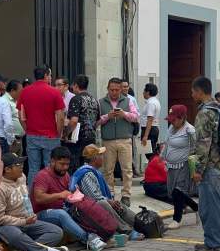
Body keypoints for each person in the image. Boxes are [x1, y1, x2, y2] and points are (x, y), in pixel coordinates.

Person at [0, 153, 66, 251]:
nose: (22, 166)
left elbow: (26, 199)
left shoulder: (22, 177)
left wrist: (30, 215)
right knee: (16, 236)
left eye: (21, 163)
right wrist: (23, 222)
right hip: (8, 226)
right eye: (17, 164)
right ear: (7, 169)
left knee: (56, 232)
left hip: (28, 221)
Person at [32, 146, 106, 251]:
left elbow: (69, 194)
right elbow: (38, 198)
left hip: (62, 209)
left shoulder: (65, 175)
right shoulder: (42, 176)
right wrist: (60, 195)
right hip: (41, 214)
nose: (65, 167)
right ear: (52, 161)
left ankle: (100, 234)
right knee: (61, 214)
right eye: (62, 164)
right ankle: (89, 239)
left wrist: (75, 192)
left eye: (67, 164)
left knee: (83, 208)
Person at [191, 77, 220, 251]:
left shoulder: (204, 113)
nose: (192, 95)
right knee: (219, 206)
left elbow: (203, 143)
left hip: (211, 167)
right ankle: (217, 239)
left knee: (209, 207)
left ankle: (214, 243)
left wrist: (198, 169)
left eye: (193, 92)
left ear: (200, 92)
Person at [71, 145, 142, 239]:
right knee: (103, 203)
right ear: (95, 158)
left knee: (118, 205)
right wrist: (109, 201)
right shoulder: (87, 174)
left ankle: (142, 224)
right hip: (86, 210)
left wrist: (111, 201)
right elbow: (94, 198)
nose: (103, 158)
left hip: (94, 204)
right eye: (101, 155)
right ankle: (127, 231)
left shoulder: (93, 171)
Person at [17, 66, 65, 188]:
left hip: (32, 135)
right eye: (50, 75)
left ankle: (33, 194)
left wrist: (27, 129)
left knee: (33, 168)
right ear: (45, 75)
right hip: (51, 135)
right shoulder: (54, 92)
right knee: (50, 167)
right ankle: (50, 192)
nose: (50, 77)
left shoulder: (25, 92)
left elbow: (21, 115)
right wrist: (58, 133)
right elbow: (60, 117)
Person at [98, 77, 139, 207]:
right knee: (107, 170)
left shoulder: (128, 101)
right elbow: (96, 122)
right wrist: (107, 117)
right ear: (107, 89)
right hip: (108, 140)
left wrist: (124, 114)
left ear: (121, 89)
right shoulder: (100, 102)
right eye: (112, 90)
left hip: (124, 139)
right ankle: (110, 193)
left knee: (126, 169)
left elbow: (136, 117)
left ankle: (126, 195)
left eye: (117, 90)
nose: (114, 92)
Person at [159, 104, 200, 229]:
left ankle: (177, 219)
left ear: (182, 118)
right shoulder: (171, 128)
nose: (172, 121)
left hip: (184, 165)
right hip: (171, 166)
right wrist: (162, 157)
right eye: (171, 119)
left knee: (179, 191)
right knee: (173, 192)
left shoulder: (189, 130)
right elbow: (167, 144)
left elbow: (197, 147)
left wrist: (196, 167)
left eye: (175, 119)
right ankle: (196, 208)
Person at [65, 74, 100, 172]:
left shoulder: (76, 99)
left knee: (77, 167)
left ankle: (77, 186)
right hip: (91, 138)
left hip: (78, 139)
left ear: (76, 85)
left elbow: (74, 121)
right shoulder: (94, 100)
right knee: (89, 165)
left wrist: (66, 134)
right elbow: (98, 121)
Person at [140, 83, 162, 158]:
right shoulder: (155, 101)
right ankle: (154, 167)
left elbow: (150, 119)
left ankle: (155, 167)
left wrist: (145, 136)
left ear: (148, 92)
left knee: (149, 153)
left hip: (149, 129)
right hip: (152, 128)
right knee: (151, 152)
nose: (143, 93)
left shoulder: (151, 103)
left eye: (144, 91)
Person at [4, 79, 24, 155]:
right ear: (13, 90)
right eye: (20, 91)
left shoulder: (16, 101)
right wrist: (11, 139)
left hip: (19, 139)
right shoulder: (4, 101)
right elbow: (6, 122)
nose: (21, 93)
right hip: (12, 140)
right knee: (11, 165)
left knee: (18, 165)